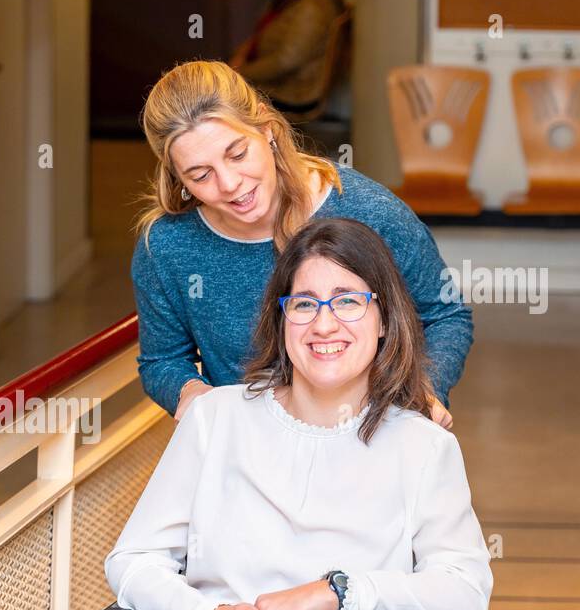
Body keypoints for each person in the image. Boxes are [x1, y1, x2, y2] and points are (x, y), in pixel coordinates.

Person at [94, 216, 493, 610]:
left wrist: (333, 593)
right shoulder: (216, 420)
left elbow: (466, 589)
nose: (324, 323)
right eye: (304, 303)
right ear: (281, 320)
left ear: (385, 318)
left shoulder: (422, 448)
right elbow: (135, 559)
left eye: (348, 301)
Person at [132, 59, 472, 429]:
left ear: (267, 129)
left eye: (237, 154)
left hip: (367, 440)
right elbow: (162, 360)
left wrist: (425, 388)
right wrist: (188, 390)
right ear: (178, 178)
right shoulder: (166, 247)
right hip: (249, 453)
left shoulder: (367, 210)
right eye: (201, 175)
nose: (229, 183)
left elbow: (444, 314)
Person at [228, 0, 349, 115]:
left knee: (222, 96)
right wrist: (241, 57)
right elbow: (260, 37)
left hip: (293, 92)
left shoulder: (312, 7)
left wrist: (237, 72)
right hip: (283, 83)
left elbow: (285, 62)